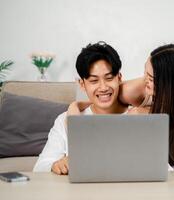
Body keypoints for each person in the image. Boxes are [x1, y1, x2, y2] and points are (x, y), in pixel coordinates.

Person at [68, 44, 174, 170]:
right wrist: (75, 106)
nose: (145, 81)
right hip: (169, 148)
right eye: (145, 73)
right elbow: (103, 97)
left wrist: (148, 114)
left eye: (151, 78)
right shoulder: (130, 91)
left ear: (168, 84)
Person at [33, 41, 128, 175]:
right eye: (94, 81)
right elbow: (40, 167)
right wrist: (56, 165)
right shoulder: (65, 119)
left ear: (119, 78)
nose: (103, 87)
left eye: (109, 78)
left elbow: (165, 167)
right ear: (82, 84)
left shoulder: (139, 116)